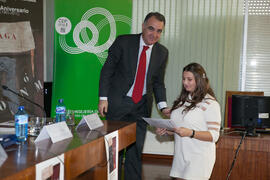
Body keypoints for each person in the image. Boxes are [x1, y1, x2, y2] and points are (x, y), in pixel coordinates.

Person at [98, 12, 170, 180]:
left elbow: (159, 82)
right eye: (151, 29)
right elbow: (107, 70)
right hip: (118, 103)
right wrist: (103, 98)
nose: (154, 34)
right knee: (113, 151)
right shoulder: (124, 42)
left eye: (159, 31)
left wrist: (163, 106)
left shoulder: (162, 52)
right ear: (143, 26)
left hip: (142, 106)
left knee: (135, 151)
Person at [156, 62, 221, 180]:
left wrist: (191, 133)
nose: (185, 82)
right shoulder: (182, 101)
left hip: (199, 158)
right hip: (180, 157)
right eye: (183, 79)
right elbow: (179, 129)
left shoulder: (211, 103)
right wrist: (166, 131)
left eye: (189, 79)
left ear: (199, 80)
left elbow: (214, 136)